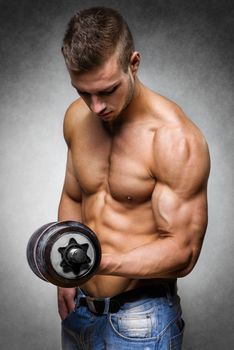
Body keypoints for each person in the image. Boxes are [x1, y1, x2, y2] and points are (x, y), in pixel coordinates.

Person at [57, 6, 210, 350]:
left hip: (141, 321)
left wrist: (96, 263)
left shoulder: (174, 139)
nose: (95, 107)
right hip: (79, 311)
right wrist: (66, 277)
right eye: (83, 92)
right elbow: (74, 196)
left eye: (108, 90)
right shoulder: (76, 118)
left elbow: (183, 251)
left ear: (134, 63)